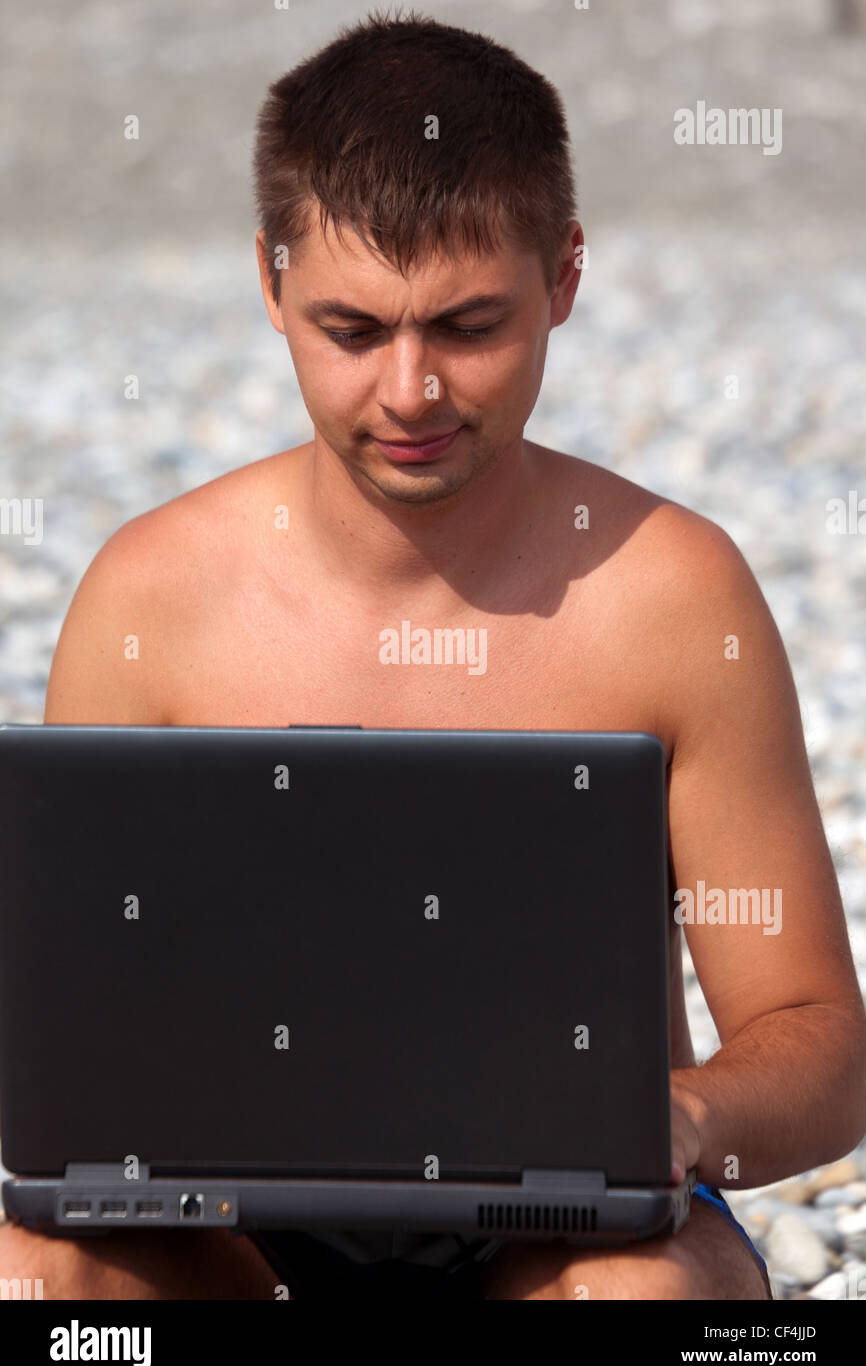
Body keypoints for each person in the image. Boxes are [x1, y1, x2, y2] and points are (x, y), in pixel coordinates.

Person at [2, 10, 864, 1300]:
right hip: (235, 1238)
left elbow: (822, 1049)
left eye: (468, 326)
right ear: (269, 281)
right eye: (352, 331)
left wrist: (683, 1119)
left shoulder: (673, 596)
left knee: (642, 1300)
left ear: (565, 278)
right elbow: (76, 1036)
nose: (410, 393)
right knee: (40, 1287)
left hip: (572, 1236)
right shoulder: (154, 596)